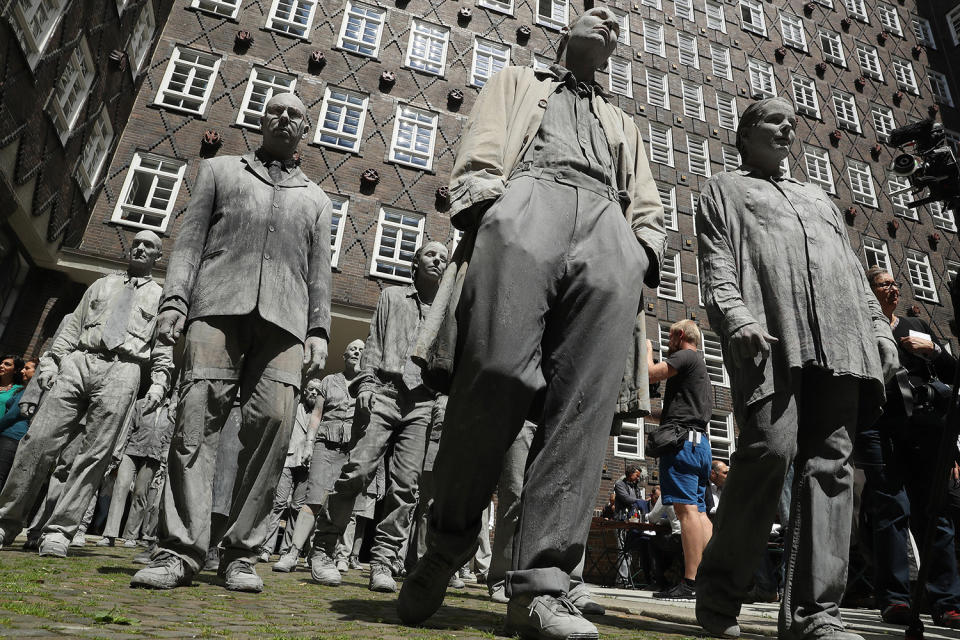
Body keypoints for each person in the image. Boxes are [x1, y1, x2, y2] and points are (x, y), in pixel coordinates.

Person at [399, 8, 665, 639]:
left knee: (580, 410)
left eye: (614, 23)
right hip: (528, 203)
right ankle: (448, 542)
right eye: (591, 12)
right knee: (492, 374)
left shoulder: (623, 120)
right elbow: (484, 149)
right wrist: (495, 211)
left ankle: (543, 588)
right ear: (566, 32)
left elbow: (646, 199)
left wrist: (640, 251)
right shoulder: (519, 80)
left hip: (608, 227)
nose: (605, 19)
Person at [694, 97, 899, 640]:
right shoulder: (724, 189)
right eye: (773, 119)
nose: (788, 127)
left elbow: (855, 273)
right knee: (769, 450)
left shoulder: (818, 197)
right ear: (744, 134)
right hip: (771, 334)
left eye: (793, 122)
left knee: (832, 464)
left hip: (842, 336)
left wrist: (879, 331)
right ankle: (718, 597)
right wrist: (735, 317)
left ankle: (817, 614)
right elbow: (715, 261)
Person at [131, 91, 332, 594]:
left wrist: (320, 330)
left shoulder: (317, 198)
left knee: (275, 423)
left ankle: (240, 552)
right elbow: (190, 241)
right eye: (276, 109)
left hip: (286, 319)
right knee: (198, 413)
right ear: (261, 119)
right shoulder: (220, 170)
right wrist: (175, 301)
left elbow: (320, 272)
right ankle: (179, 548)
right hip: (217, 302)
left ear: (305, 131)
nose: (284, 117)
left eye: (295, 114)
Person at [0, 231, 171, 557]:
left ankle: (60, 531)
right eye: (137, 242)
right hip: (81, 359)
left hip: (125, 367)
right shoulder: (102, 284)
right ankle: (7, 521)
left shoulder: (160, 297)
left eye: (149, 245)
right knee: (38, 440)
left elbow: (163, 345)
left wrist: (160, 381)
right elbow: (73, 327)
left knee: (95, 454)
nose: (140, 248)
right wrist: (50, 363)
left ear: (157, 256)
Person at [309, 242, 447, 594]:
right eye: (431, 253)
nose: (439, 259)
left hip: (422, 402)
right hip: (386, 391)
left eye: (444, 256)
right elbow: (375, 339)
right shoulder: (393, 297)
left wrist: (441, 400)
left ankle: (384, 561)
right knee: (358, 469)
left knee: (405, 487)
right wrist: (367, 382)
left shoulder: (446, 313)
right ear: (415, 261)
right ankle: (324, 548)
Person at [854, 267, 960, 629]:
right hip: (880, 428)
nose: (894, 288)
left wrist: (932, 348)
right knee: (891, 510)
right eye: (884, 284)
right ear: (869, 292)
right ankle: (896, 599)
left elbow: (952, 374)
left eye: (895, 283)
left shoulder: (916, 326)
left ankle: (946, 602)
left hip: (926, 432)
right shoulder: (860, 327)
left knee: (936, 515)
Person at [272, 340, 365, 573]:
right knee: (313, 499)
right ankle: (292, 553)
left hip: (352, 451)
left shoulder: (368, 385)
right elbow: (316, 414)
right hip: (325, 445)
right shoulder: (328, 381)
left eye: (362, 350)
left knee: (341, 505)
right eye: (352, 348)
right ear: (343, 355)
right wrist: (309, 445)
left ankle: (323, 554)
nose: (356, 351)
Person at [646, 319, 714, 601]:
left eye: (670, 336)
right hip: (700, 445)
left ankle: (690, 582)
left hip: (683, 446)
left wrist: (646, 349)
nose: (668, 343)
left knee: (686, 512)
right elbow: (679, 412)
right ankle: (708, 580)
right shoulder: (699, 369)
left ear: (680, 335)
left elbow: (651, 374)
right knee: (698, 512)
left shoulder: (685, 355)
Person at [99, 389, 179, 547]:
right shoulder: (141, 404)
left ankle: (130, 536)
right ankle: (109, 534)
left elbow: (171, 434)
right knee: (120, 487)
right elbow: (128, 428)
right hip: (132, 450)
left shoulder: (172, 409)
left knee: (140, 493)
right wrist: (119, 452)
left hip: (153, 455)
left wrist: (164, 453)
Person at [257, 377, 320, 562]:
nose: (314, 393)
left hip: (308, 463)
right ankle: (266, 548)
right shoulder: (294, 407)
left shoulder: (321, 415)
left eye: (318, 390)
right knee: (278, 504)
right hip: (288, 459)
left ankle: (286, 550)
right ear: (305, 391)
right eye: (311, 389)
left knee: (297, 508)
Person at [0, 358, 32, 489]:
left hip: (9, 434)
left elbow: (13, 414)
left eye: (7, 364)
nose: (1, 365)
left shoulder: (20, 390)